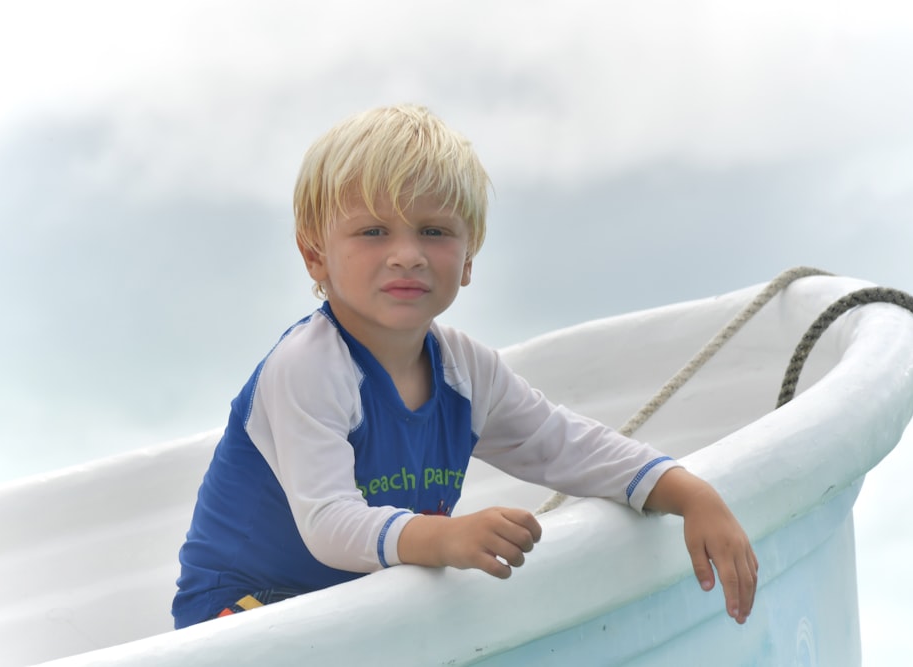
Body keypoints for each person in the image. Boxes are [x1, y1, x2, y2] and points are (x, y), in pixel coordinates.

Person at [172, 104, 758, 630]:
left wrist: (688, 492)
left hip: (359, 609)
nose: (408, 253)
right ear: (315, 254)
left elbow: (561, 445)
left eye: (435, 231)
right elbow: (328, 522)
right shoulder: (309, 365)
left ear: (469, 257)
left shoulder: (464, 370)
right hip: (245, 615)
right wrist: (446, 537)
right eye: (373, 231)